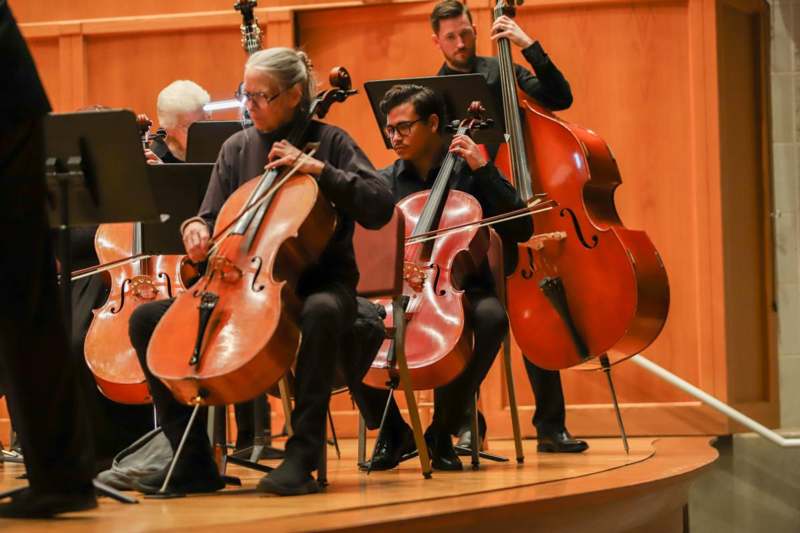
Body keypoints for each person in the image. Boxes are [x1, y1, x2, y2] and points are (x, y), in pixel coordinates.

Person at [127, 47, 394, 496]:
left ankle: (302, 455)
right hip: (241, 282)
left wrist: (319, 170)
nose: (248, 106)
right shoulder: (237, 148)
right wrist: (195, 230)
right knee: (146, 320)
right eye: (244, 94)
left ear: (293, 95)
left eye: (259, 96)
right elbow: (208, 216)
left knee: (323, 312)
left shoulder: (331, 143)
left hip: (320, 284)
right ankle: (192, 460)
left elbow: (380, 205)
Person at [430, 0, 587, 454]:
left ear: (475, 29)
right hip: (471, 215)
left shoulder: (504, 70)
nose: (461, 43)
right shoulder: (434, 91)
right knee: (465, 320)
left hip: (516, 204)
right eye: (451, 37)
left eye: (466, 33)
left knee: (537, 308)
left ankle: (551, 427)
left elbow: (560, 97)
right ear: (437, 40)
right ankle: (463, 424)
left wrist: (528, 46)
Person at [350, 84, 532, 471]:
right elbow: (361, 241)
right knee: (342, 320)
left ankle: (442, 430)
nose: (393, 138)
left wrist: (483, 170)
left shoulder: (469, 173)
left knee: (492, 319)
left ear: (434, 124)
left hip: (461, 288)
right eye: (390, 130)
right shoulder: (383, 182)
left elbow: (523, 227)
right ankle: (391, 429)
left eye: (403, 128)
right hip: (397, 289)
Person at [0, 0, 97, 517]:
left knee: (24, 307)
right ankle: (61, 472)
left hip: (7, 121)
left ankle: (61, 475)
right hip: (12, 114)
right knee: (25, 310)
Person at [144, 80, 211, 164]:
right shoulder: (155, 160)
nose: (202, 133)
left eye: (205, 121)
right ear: (169, 129)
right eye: (190, 127)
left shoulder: (218, 147)